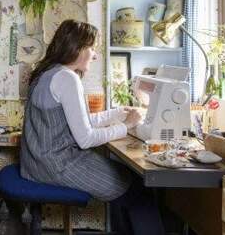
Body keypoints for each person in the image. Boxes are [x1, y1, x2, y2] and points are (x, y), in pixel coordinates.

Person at [20, 19, 164, 235]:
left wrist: (116, 113)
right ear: (76, 48)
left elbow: (78, 121)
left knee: (129, 181)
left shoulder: (46, 73)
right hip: (56, 166)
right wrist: (126, 126)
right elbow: (85, 138)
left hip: (35, 164)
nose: (95, 55)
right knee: (137, 188)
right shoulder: (67, 78)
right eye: (91, 48)